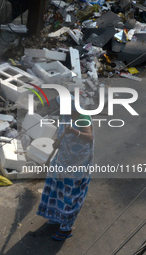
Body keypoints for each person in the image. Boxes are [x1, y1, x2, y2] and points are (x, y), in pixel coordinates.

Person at [36, 95, 94, 241]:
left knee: (70, 194)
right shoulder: (65, 115)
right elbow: (61, 130)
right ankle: (56, 216)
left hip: (77, 162)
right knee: (57, 187)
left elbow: (89, 137)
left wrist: (74, 132)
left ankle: (66, 229)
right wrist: (57, 142)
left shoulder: (82, 117)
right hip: (63, 158)